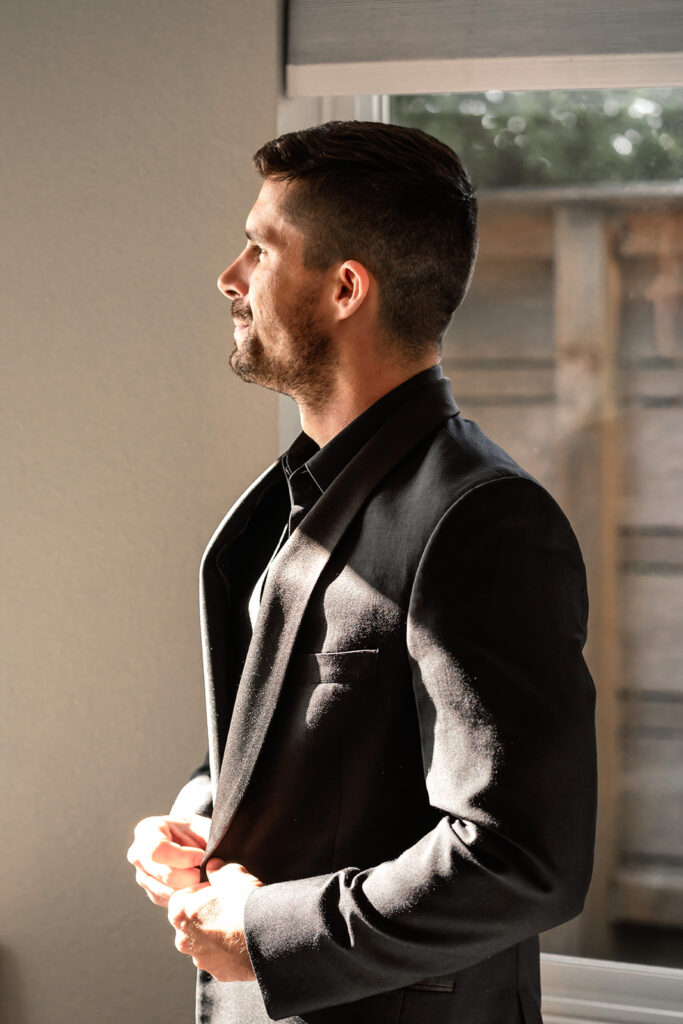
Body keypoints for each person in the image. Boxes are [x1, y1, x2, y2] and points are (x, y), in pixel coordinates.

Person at [127, 121, 597, 1024]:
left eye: (261, 249)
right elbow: (292, 740)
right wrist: (196, 817)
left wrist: (267, 928)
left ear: (345, 288)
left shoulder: (482, 520)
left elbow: (520, 857)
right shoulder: (286, 499)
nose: (231, 277)